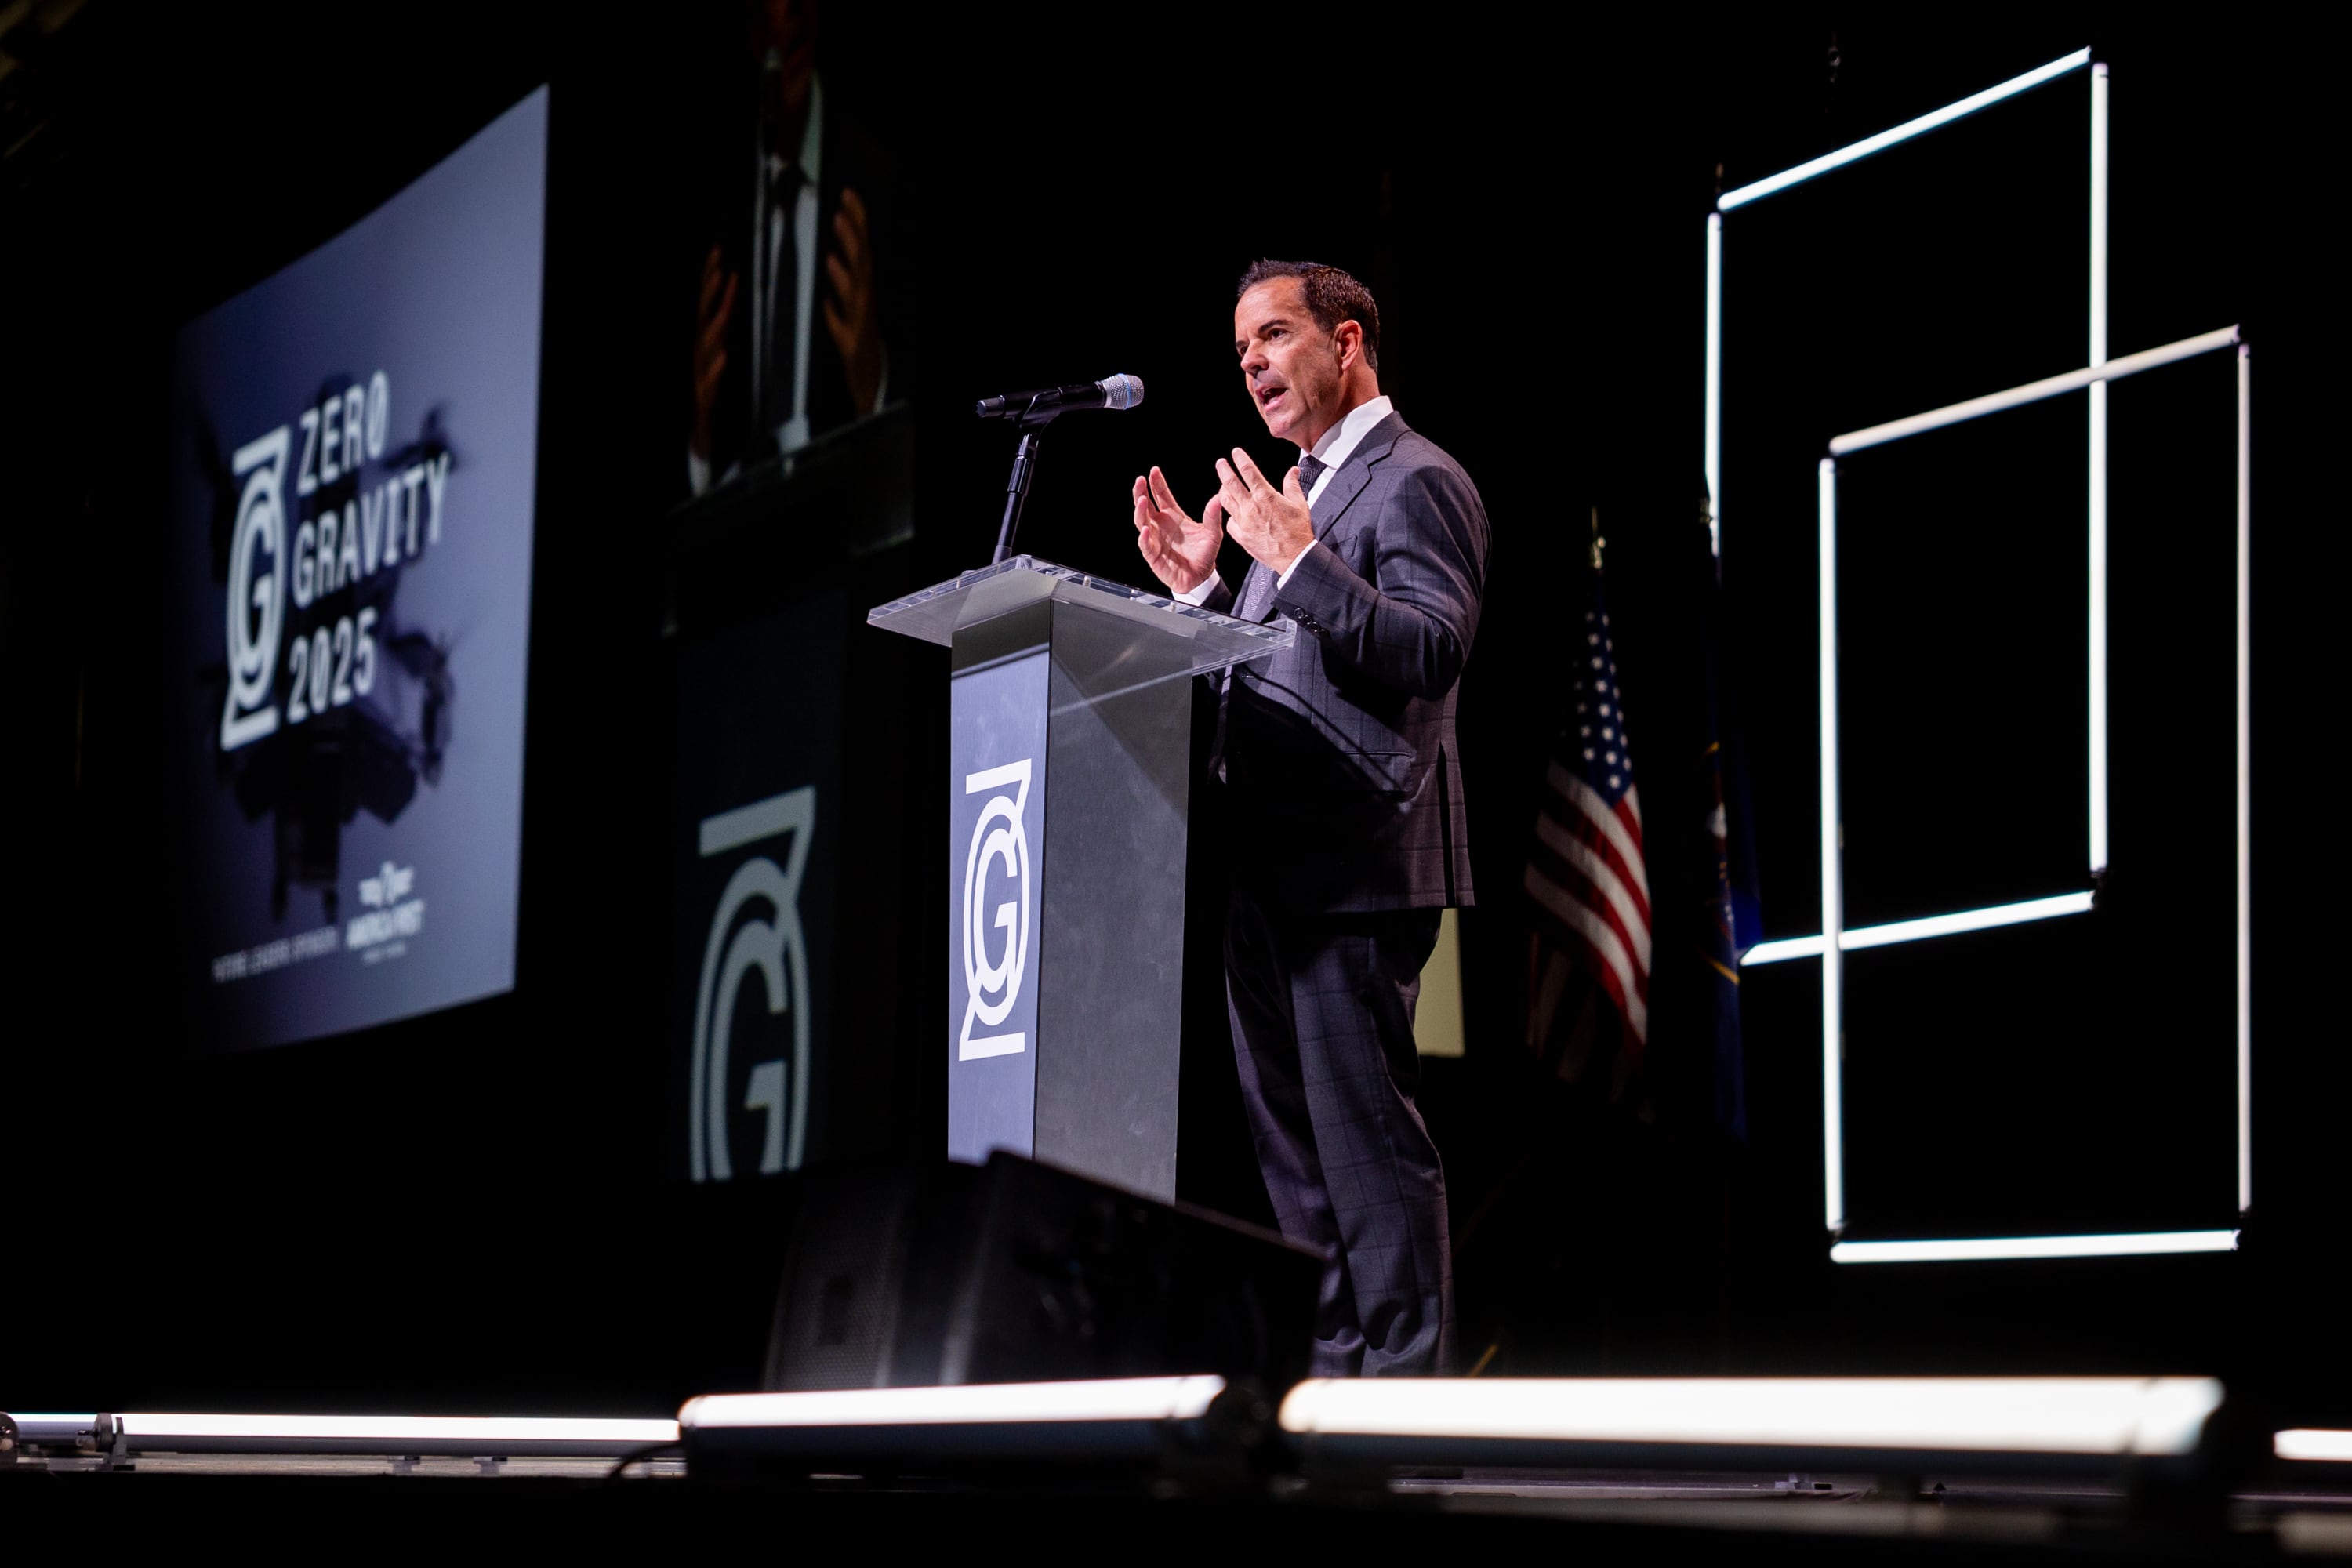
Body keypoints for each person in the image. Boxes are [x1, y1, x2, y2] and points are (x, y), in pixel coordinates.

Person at [1129, 260, 1490, 1376]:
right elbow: (1274, 670)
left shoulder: (1415, 478)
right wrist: (1202, 593)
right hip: (1268, 871)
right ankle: (1336, 1399)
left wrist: (1294, 559)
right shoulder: (1295, 497)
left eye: (1273, 336)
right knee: (1297, 1167)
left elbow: (1430, 649)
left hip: (1355, 867)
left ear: (1347, 343)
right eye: (1241, 348)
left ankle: (1403, 1415)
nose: (1250, 362)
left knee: (1368, 1156)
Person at [685, 0, 890, 497]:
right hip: (735, 534)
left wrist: (873, 383)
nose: (787, 17)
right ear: (752, 37)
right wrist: (700, 435)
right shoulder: (714, 205)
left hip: (849, 521)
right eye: (763, 12)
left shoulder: (877, 184)